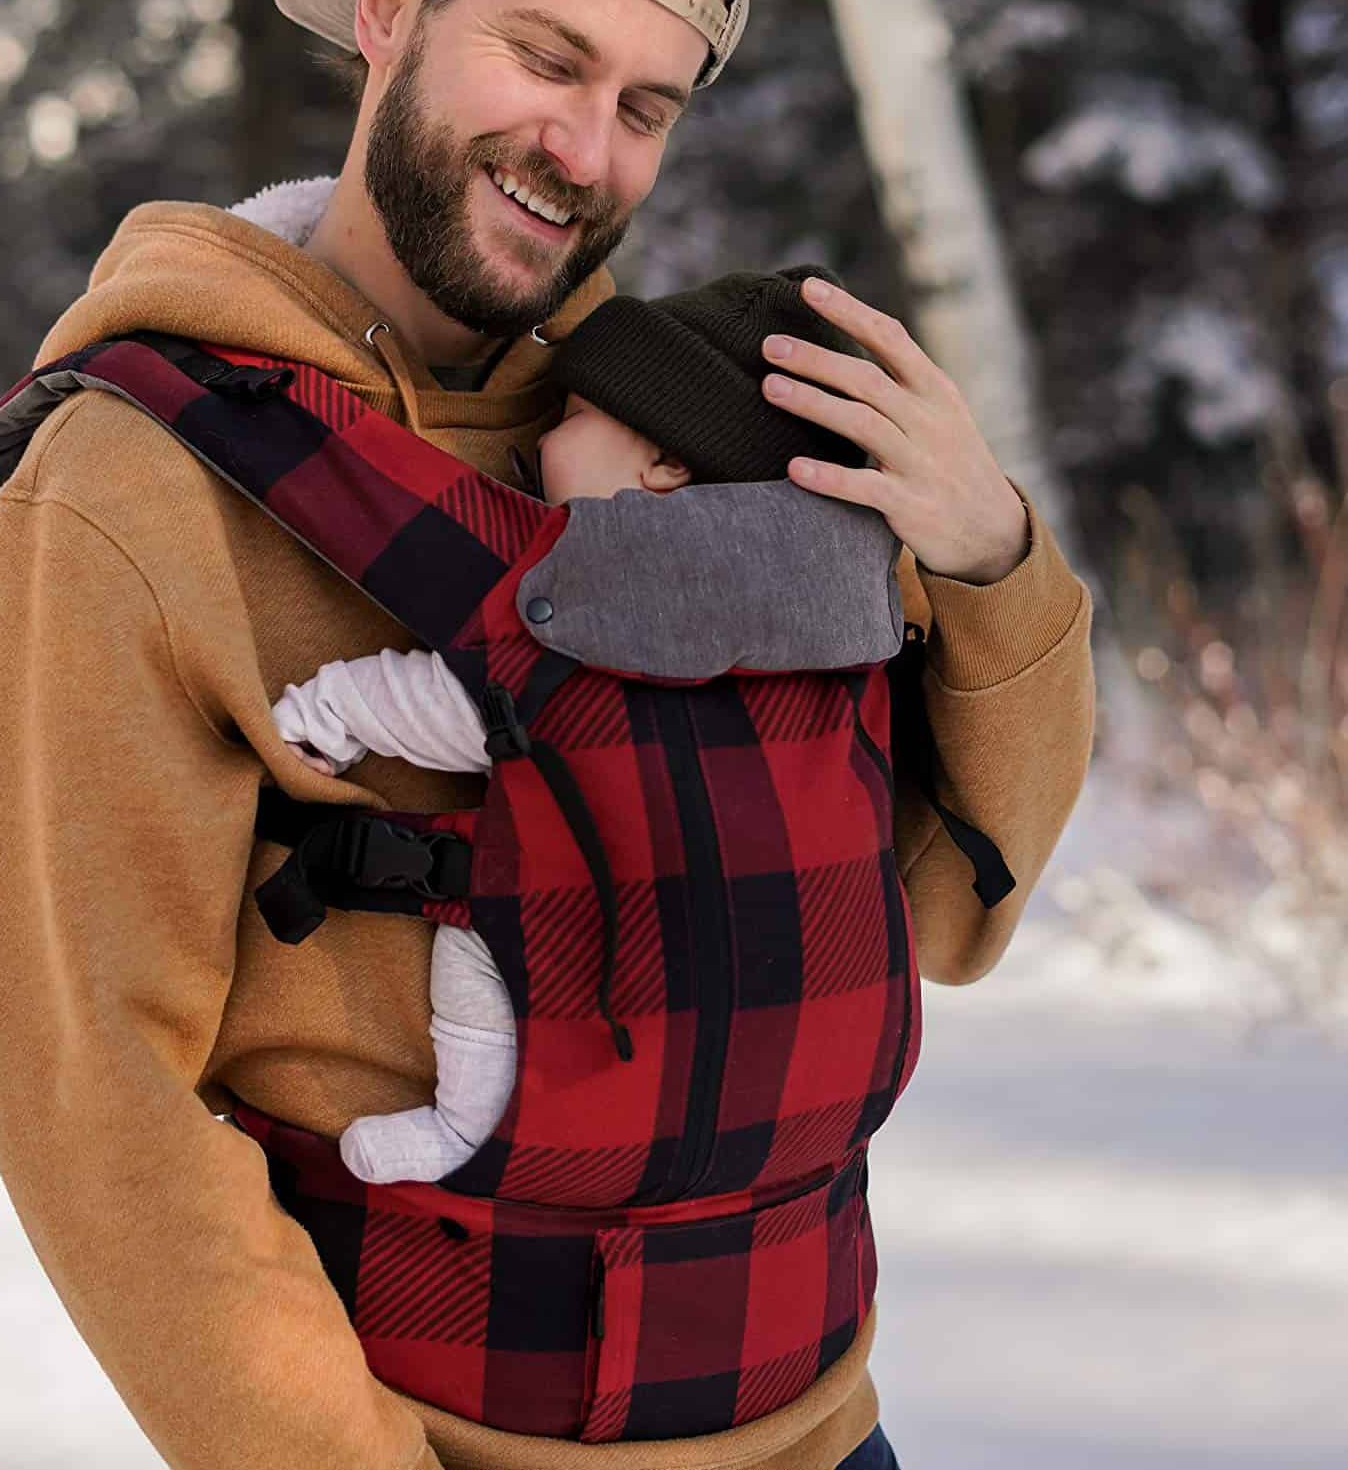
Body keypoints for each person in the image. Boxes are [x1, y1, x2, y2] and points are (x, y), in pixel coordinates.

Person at [0, 0, 1095, 1470]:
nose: (587, 147)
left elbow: (935, 907)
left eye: (646, 100)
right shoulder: (129, 483)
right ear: (387, 6)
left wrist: (989, 555)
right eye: (544, 56)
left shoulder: (678, 418)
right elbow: (90, 1098)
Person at [265, 266, 905, 1191]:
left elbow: (475, 701)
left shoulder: (611, 584)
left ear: (667, 464)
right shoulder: (845, 603)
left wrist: (323, 713)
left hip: (608, 961)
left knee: (481, 943)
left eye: (568, 417)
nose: (538, 439)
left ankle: (463, 1128)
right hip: (790, 1008)